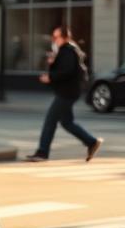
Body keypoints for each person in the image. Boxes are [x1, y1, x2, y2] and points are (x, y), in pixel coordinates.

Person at [25, 25, 103, 162]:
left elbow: (67, 71)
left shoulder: (67, 51)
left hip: (67, 93)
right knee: (67, 122)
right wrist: (52, 63)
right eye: (53, 37)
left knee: (50, 121)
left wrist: (51, 77)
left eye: (56, 37)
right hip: (69, 91)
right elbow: (65, 69)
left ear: (65, 38)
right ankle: (91, 142)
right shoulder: (67, 50)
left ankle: (42, 152)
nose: (54, 40)